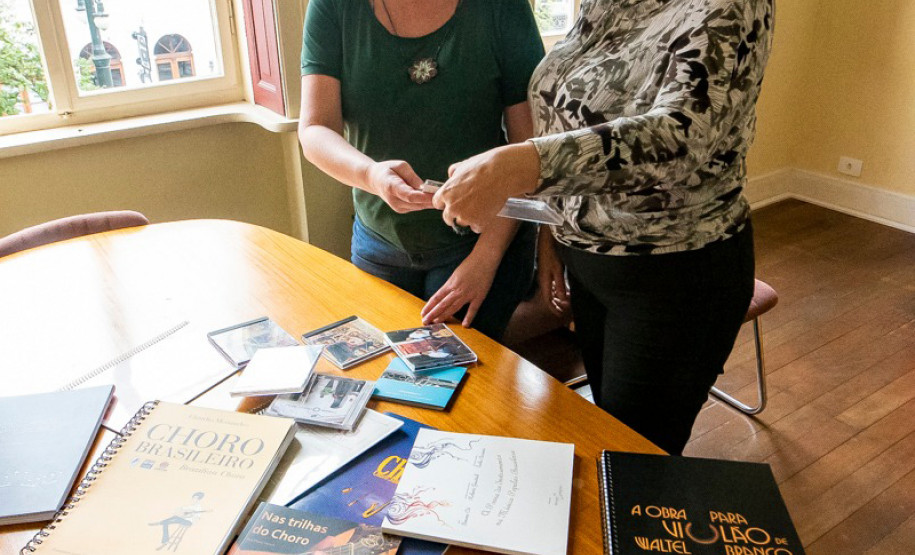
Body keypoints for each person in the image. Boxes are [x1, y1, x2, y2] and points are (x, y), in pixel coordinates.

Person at [432, 0, 774, 455]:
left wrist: (521, 164)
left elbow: (680, 136)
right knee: (607, 428)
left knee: (635, 456)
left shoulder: (729, 6)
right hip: (588, 265)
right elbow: (566, 110)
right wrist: (551, 236)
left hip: (675, 273)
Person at [297, 0, 545, 342]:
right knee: (384, 368)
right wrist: (371, 175)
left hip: (483, 243)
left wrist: (486, 258)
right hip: (378, 244)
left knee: (463, 371)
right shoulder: (333, 6)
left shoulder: (502, 7)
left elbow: (529, 150)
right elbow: (315, 130)